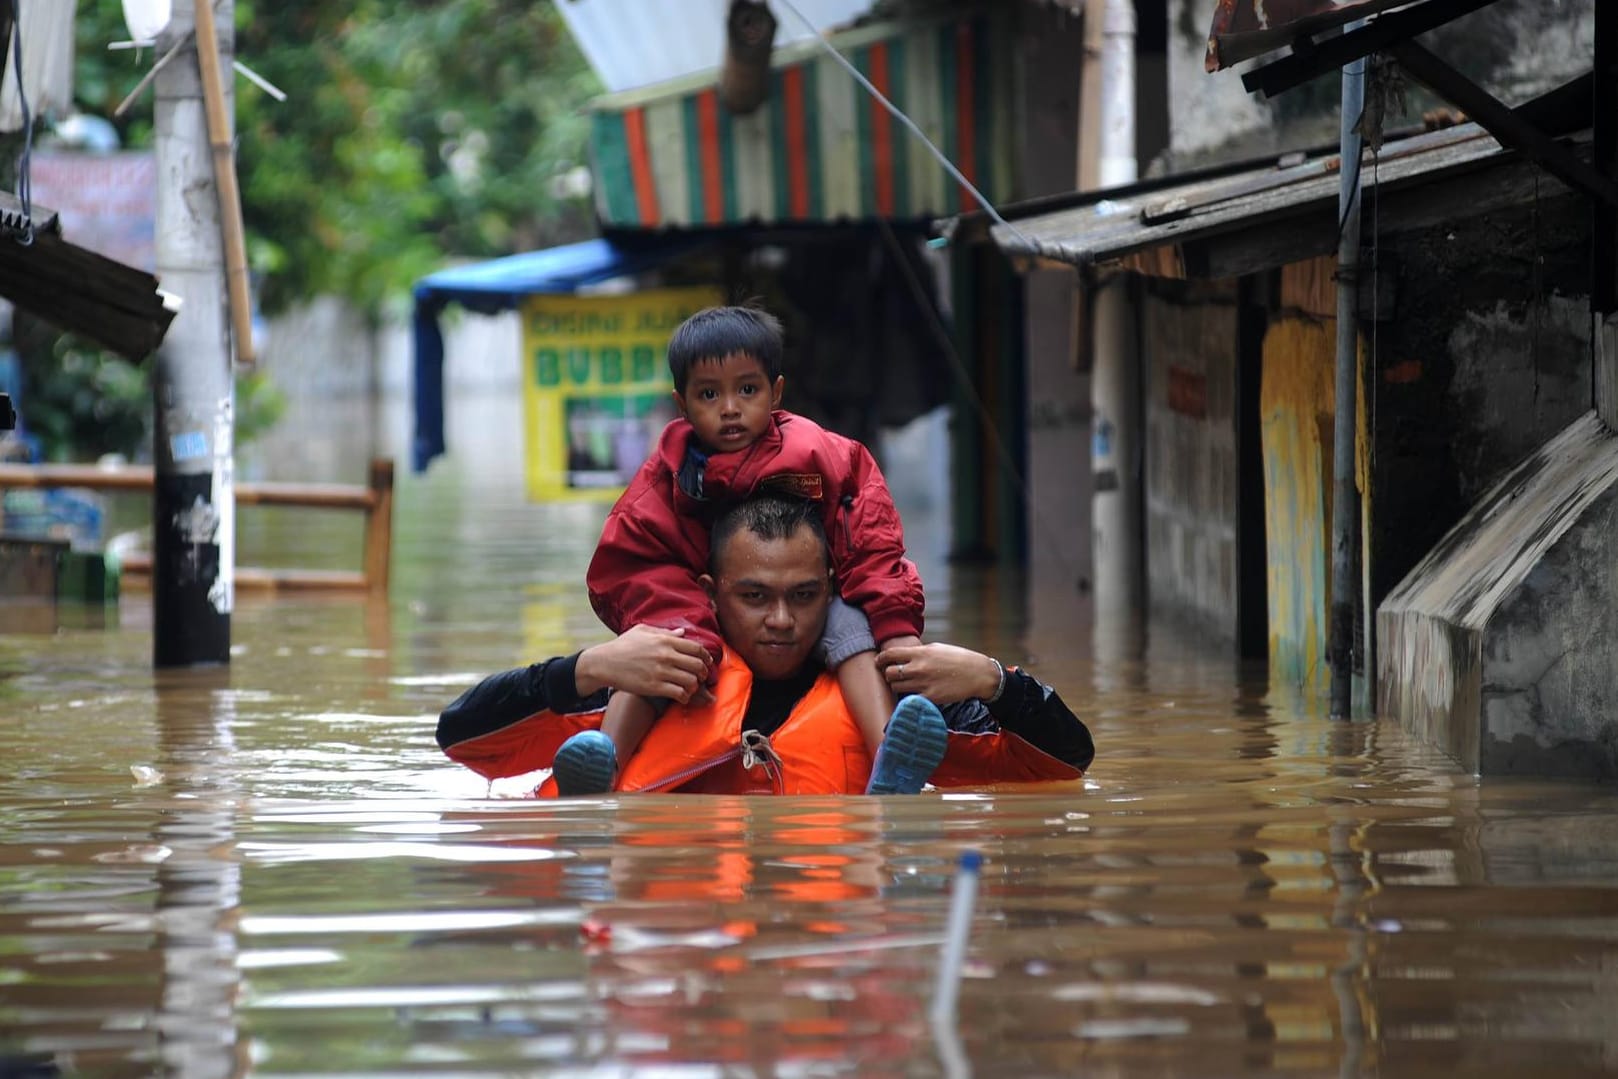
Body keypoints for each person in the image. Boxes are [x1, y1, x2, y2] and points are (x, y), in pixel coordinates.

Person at [438, 496, 1094, 796]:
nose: (781, 619)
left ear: (833, 589)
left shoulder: (892, 709)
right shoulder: (646, 680)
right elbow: (464, 739)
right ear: (710, 594)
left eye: (804, 596)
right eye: (754, 597)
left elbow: (1066, 764)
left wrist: (992, 680)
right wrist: (579, 668)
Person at [554, 304, 927, 795]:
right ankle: (606, 757)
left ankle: (888, 755)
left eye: (746, 390)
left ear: (776, 392)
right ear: (682, 404)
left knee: (852, 627)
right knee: (661, 649)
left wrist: (898, 631)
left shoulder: (823, 455)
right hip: (699, 604)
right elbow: (630, 563)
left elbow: (872, 540)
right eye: (709, 394)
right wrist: (672, 618)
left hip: (811, 602)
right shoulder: (663, 483)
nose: (729, 408)